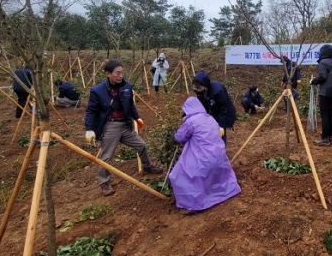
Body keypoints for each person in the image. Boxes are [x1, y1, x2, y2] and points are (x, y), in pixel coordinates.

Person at [85, 60, 163, 196]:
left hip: (125, 124)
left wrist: (137, 117)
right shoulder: (97, 91)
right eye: (117, 73)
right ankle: (104, 182)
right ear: (108, 74)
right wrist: (90, 129)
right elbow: (91, 111)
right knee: (106, 156)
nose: (121, 76)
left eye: (122, 72)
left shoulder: (127, 86)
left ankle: (147, 166)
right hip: (110, 126)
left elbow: (130, 105)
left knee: (141, 145)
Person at [169, 97, 241, 214]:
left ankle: (193, 204)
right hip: (220, 157)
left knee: (180, 174)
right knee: (215, 173)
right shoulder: (210, 118)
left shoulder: (191, 121)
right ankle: (226, 191)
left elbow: (179, 137)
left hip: (204, 159)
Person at [192, 71, 237, 145]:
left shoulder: (218, 90)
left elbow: (223, 109)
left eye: (198, 88)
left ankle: (221, 152)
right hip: (214, 111)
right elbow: (203, 105)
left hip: (225, 113)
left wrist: (221, 125)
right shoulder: (200, 91)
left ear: (205, 86)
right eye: (196, 88)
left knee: (220, 133)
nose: (197, 90)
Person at [310, 44, 332, 146]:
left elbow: (323, 77)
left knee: (325, 115)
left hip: (325, 92)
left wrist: (314, 81)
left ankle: (325, 138)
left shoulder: (323, 62)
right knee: (330, 114)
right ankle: (330, 137)